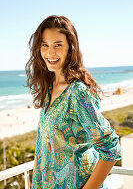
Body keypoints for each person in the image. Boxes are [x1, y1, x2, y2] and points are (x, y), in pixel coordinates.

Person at [25, 15, 121, 189]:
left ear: (71, 47)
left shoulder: (78, 93)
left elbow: (111, 148)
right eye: (45, 45)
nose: (50, 53)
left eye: (58, 45)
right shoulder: (49, 86)